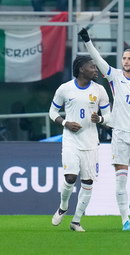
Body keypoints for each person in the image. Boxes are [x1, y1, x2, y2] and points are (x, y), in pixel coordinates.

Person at [78, 28, 130, 231]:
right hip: (120, 136)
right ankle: (125, 220)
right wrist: (88, 41)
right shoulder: (115, 76)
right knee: (120, 182)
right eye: (124, 58)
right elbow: (98, 60)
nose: (126, 61)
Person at [49, 55, 111, 231]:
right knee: (70, 177)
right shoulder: (65, 89)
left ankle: (76, 221)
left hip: (91, 142)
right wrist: (65, 123)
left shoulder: (100, 90)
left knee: (88, 182)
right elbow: (52, 112)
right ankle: (63, 207)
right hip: (71, 140)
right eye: (92, 67)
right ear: (82, 69)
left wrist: (99, 118)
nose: (95, 69)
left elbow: (110, 116)